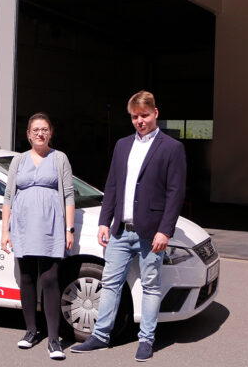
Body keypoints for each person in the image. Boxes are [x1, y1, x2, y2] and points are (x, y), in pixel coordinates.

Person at [70, 90, 186, 361]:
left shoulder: (172, 148)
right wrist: (103, 222)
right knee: (110, 283)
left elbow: (175, 192)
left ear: (155, 113)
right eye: (134, 117)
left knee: (151, 286)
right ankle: (100, 336)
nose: (139, 121)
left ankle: (146, 340)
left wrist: (165, 230)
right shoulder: (123, 145)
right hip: (121, 231)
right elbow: (112, 186)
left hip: (151, 234)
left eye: (144, 115)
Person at [1, 112, 75, 360]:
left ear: (50, 132)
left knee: (51, 278)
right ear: (28, 134)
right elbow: (9, 196)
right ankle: (31, 331)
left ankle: (54, 339)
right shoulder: (18, 161)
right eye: (35, 130)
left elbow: (68, 195)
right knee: (27, 277)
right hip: (22, 226)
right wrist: (5, 231)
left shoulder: (60, 158)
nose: (40, 133)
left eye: (44, 129)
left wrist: (69, 229)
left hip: (51, 226)